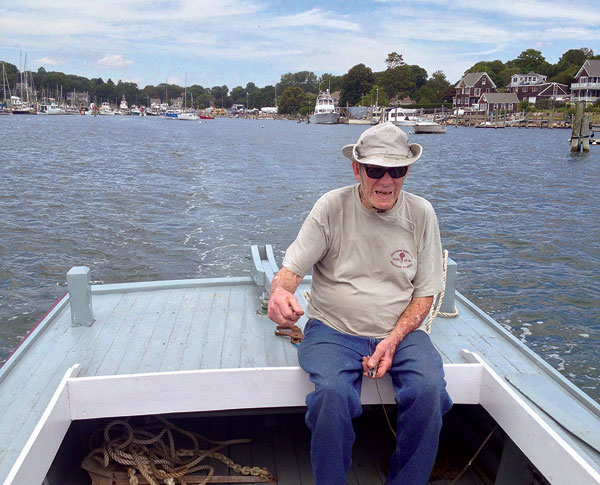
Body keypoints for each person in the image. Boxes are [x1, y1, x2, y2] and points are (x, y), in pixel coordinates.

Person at [267, 121, 452, 485]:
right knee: (332, 396)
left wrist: (394, 339)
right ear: (357, 169)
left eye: (396, 170)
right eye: (375, 170)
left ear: (407, 171)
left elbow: (425, 294)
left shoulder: (421, 214)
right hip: (333, 329)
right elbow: (291, 270)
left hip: (400, 331)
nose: (386, 180)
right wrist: (279, 292)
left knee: (430, 391)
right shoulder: (331, 207)